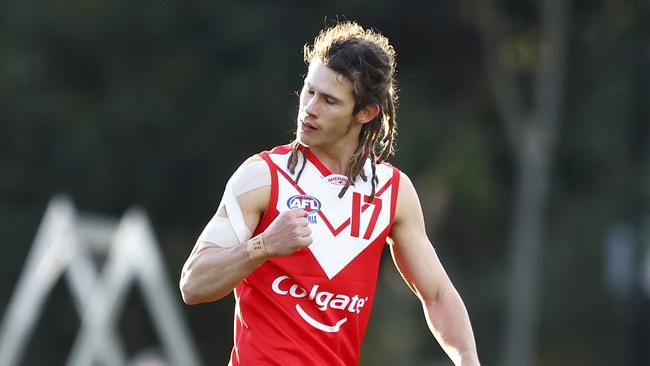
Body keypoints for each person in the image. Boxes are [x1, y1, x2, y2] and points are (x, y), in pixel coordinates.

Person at [179, 21, 480, 366]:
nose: (309, 108)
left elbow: (438, 295)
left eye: (329, 101)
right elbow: (193, 283)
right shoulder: (262, 176)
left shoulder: (392, 192)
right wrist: (263, 246)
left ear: (366, 112)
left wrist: (468, 359)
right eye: (309, 91)